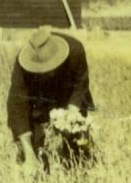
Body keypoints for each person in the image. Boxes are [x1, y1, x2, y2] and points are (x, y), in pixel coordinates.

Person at [6, 25, 95, 173]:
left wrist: (72, 111)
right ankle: (35, 158)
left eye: (49, 68)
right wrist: (29, 156)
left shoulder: (75, 50)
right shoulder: (22, 64)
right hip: (39, 96)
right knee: (33, 151)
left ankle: (78, 161)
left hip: (67, 91)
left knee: (76, 142)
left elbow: (81, 83)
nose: (45, 72)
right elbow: (17, 107)